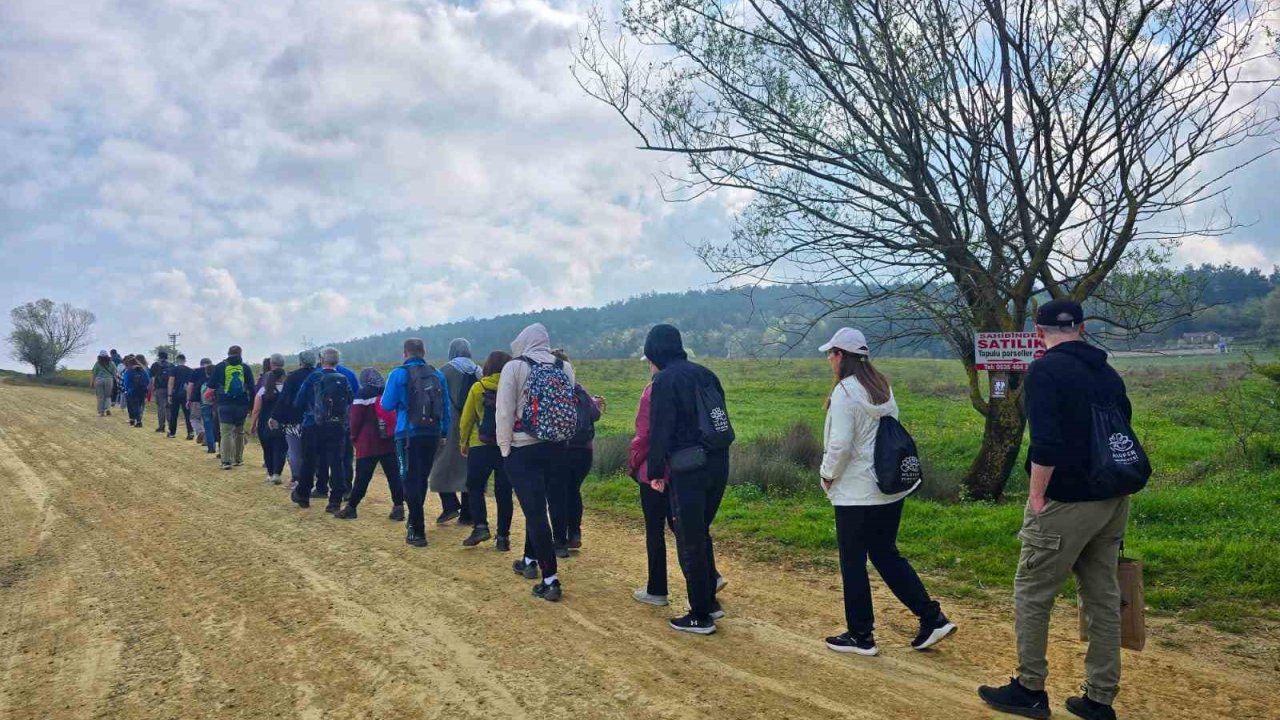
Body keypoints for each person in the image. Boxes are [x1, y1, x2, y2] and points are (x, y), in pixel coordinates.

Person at [980, 300, 1138, 720]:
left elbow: (1045, 443)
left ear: (1038, 331)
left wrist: (1036, 496)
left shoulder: (1045, 371)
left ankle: (1029, 688)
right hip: (1111, 499)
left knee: (1033, 593)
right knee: (1103, 597)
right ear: (1082, 327)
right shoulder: (1106, 372)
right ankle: (1099, 699)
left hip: (1065, 501)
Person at [816, 327, 955, 657]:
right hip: (888, 489)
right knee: (885, 554)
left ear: (842, 356)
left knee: (852, 562)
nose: (829, 360)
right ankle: (931, 617)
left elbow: (840, 445)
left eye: (831, 353)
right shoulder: (880, 386)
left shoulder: (846, 393)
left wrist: (826, 475)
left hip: (855, 492)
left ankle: (860, 635)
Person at [645, 324, 730, 634]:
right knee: (701, 531)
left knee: (688, 537)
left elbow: (660, 430)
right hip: (719, 462)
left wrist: (655, 471)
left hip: (688, 466)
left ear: (653, 349)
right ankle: (709, 603)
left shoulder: (664, 380)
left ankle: (699, 615)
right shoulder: (707, 374)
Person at [497, 323, 574, 602]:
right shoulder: (563, 366)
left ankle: (550, 579)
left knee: (535, 511)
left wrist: (505, 449)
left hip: (522, 446)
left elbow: (504, 411)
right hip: (556, 446)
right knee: (540, 505)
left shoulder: (514, 367)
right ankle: (530, 559)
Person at [381, 338, 451, 547]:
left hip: (407, 434)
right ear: (423, 352)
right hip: (432, 433)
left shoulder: (398, 374)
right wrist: (443, 432)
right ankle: (414, 521)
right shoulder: (437, 374)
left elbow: (386, 404)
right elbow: (445, 407)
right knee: (421, 478)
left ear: (405, 353)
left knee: (409, 479)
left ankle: (417, 530)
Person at [628, 359, 675, 606]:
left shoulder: (652, 390)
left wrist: (634, 460)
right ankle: (710, 578)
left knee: (654, 530)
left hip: (653, 471)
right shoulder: (686, 385)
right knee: (684, 528)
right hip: (682, 468)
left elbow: (644, 434)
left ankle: (657, 589)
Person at [549, 348, 603, 556]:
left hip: (562, 448)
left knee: (557, 494)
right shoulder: (580, 390)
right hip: (584, 452)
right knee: (573, 491)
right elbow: (595, 415)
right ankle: (575, 534)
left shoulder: (552, 389)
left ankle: (560, 541)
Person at [291, 347, 358, 512]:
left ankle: (303, 495)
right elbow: (350, 400)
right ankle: (334, 501)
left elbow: (299, 400)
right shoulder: (343, 378)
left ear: (321, 359)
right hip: (336, 425)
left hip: (312, 424)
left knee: (309, 460)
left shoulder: (314, 376)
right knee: (336, 462)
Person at [458, 351, 514, 549]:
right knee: (504, 492)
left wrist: (463, 442)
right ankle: (503, 538)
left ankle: (480, 526)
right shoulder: (513, 387)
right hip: (506, 446)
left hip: (480, 445)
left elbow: (466, 419)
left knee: (475, 487)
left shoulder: (477, 387)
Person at [337, 367, 404, 520]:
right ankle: (398, 507)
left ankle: (351, 508)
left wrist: (353, 437)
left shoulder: (363, 394)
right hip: (388, 440)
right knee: (394, 476)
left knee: (362, 478)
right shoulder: (387, 391)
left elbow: (355, 419)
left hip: (367, 442)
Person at [429, 338, 480, 524]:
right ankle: (468, 513)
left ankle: (449, 505)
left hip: (450, 424)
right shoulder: (478, 370)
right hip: (473, 425)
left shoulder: (445, 370)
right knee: (468, 469)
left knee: (440, 466)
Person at [270, 350, 317, 488]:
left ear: (300, 362)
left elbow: (284, 399)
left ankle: (297, 479)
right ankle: (315, 478)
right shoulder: (320, 375)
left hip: (294, 419)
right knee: (313, 450)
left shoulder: (292, 377)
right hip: (316, 419)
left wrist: (275, 416)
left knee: (295, 451)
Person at [208, 346, 255, 470]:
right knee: (239, 431)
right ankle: (238, 459)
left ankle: (226, 461)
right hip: (242, 404)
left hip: (224, 404)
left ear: (228, 353)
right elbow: (251, 388)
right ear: (240, 354)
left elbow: (211, 386)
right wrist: (251, 406)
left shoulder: (219, 367)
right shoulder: (245, 368)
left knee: (226, 433)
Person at [249, 367, 289, 485]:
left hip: (264, 424)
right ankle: (277, 473)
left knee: (267, 449)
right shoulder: (286, 390)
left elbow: (256, 410)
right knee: (280, 448)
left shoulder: (263, 390)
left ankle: (270, 473)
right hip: (282, 423)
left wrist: (253, 425)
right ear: (283, 377)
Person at [167, 354, 194, 439]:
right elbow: (191, 383)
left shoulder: (174, 369)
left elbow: (171, 382)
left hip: (175, 394)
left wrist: (169, 395)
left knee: (174, 414)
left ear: (177, 360)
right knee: (187, 414)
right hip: (186, 394)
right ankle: (190, 432)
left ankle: (172, 433)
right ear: (185, 361)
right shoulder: (190, 370)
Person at [196, 359, 219, 454]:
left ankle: (211, 447)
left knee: (208, 427)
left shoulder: (203, 383)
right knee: (217, 427)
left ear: (206, 373)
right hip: (216, 407)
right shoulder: (218, 383)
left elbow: (199, 395)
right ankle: (220, 447)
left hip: (205, 406)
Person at [122, 357, 151, 428]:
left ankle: (138, 421)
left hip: (132, 391)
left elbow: (126, 381)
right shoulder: (143, 370)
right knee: (139, 405)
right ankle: (138, 419)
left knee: (134, 406)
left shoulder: (129, 370)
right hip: (142, 390)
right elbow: (147, 380)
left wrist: (126, 390)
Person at [149, 351, 172, 433]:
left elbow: (152, 378)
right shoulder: (171, 365)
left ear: (159, 357)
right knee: (169, 408)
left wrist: (153, 390)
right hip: (170, 389)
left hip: (159, 389)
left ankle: (161, 426)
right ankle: (171, 427)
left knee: (161, 407)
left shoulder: (155, 365)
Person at [91, 350, 115, 417]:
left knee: (100, 397)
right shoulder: (111, 363)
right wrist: (117, 382)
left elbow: (94, 374)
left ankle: (100, 412)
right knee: (107, 396)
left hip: (99, 380)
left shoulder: (97, 363)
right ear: (107, 356)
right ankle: (107, 409)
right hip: (109, 380)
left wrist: (92, 383)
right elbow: (114, 373)